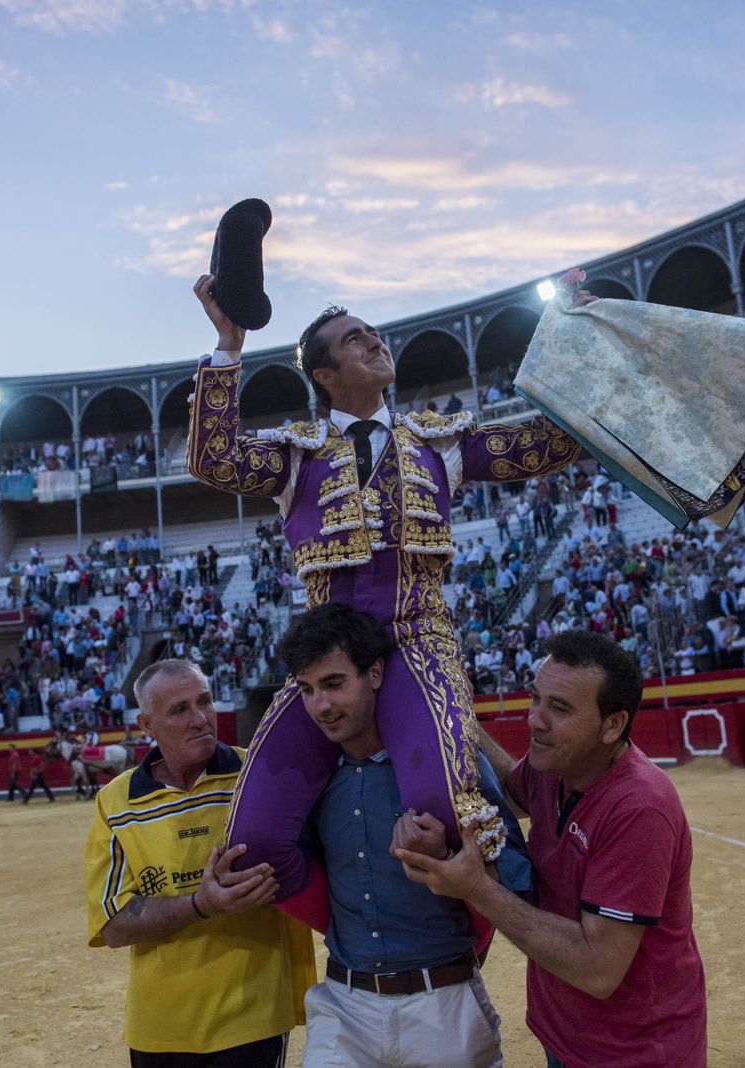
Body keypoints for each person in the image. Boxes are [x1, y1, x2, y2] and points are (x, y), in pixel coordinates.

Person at [186, 274, 583, 921]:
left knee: (444, 806)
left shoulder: (439, 441)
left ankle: (474, 938)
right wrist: (228, 345)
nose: (374, 340)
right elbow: (213, 457)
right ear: (325, 374)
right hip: (326, 661)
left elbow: (547, 445)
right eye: (355, 339)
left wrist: (577, 340)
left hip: (418, 644)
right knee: (251, 842)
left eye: (373, 333)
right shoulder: (297, 455)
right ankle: (349, 933)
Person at [226, 602, 527, 1068]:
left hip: (444, 1004)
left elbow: (512, 874)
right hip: (343, 1005)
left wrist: (446, 854)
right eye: (306, 689)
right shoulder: (307, 786)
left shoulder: (448, 768)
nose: (320, 706)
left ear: (375, 673)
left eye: (334, 684)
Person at [396, 630, 706, 1068]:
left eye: (559, 708)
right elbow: (510, 792)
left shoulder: (640, 808)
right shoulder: (556, 763)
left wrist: (477, 888)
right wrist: (458, 713)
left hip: (633, 1052)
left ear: (613, 725)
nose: (534, 720)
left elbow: (598, 968)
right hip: (564, 1032)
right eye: (535, 699)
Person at [85, 659, 314, 1066]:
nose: (200, 719)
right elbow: (114, 925)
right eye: (179, 710)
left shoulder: (258, 775)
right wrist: (202, 904)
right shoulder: (116, 801)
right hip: (158, 1025)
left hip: (252, 1016)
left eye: (204, 702)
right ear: (147, 725)